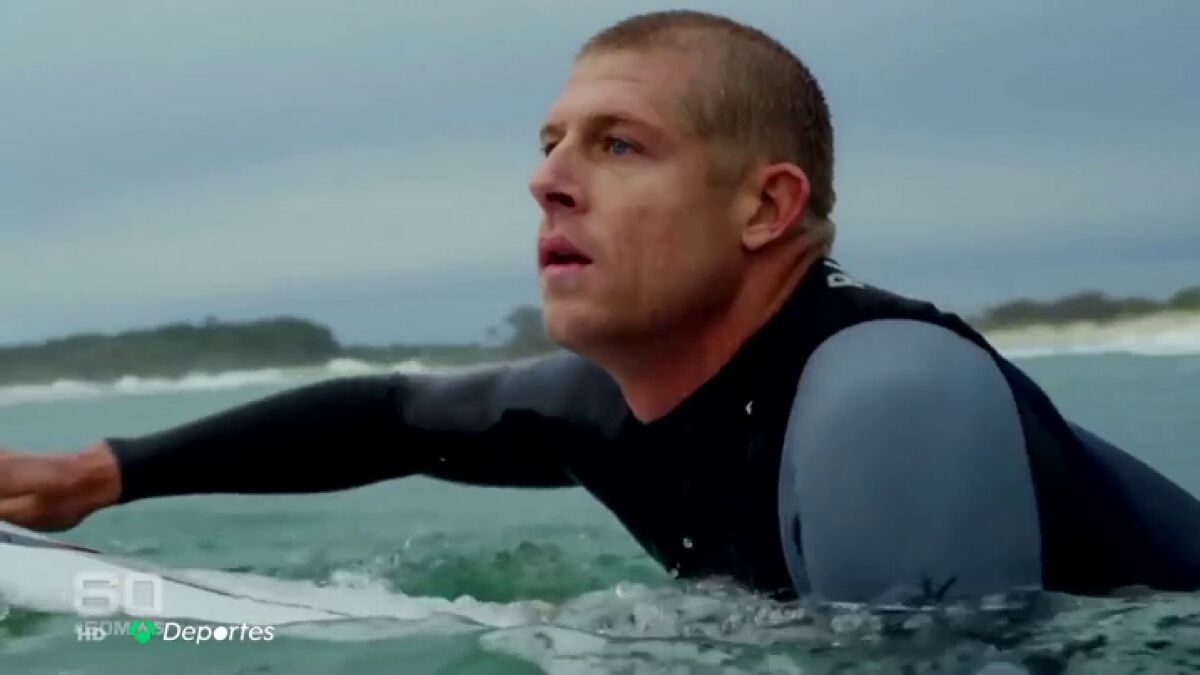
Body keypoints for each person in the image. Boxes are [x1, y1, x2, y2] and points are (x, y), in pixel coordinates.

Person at [2, 10, 1199, 604]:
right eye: (549, 143)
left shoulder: (887, 398)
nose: (548, 179)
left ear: (766, 207)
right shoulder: (614, 403)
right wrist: (96, 474)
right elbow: (392, 416)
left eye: (620, 144)